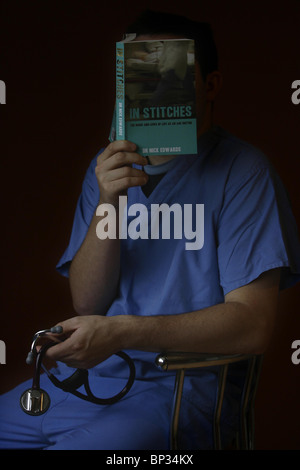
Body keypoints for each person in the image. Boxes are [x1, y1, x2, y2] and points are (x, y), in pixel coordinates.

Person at [1, 10, 300, 450]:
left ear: (210, 85)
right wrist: (109, 199)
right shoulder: (104, 170)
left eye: (171, 73)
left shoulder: (243, 171)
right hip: (82, 381)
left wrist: (123, 331)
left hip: (174, 389)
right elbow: (88, 301)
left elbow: (252, 325)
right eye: (139, 74)